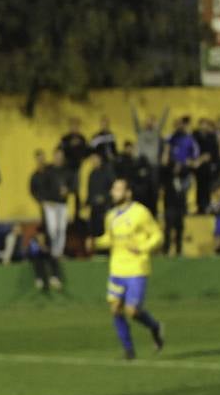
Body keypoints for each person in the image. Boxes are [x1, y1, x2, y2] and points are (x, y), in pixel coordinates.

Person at [89, 178, 165, 360]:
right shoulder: (111, 216)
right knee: (115, 309)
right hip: (117, 269)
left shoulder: (140, 212)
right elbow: (110, 239)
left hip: (137, 268)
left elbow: (158, 235)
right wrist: (96, 243)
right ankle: (129, 351)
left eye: (118, 189)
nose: (113, 192)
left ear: (128, 193)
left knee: (132, 311)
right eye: (113, 189)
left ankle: (155, 327)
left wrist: (143, 248)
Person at [29, 149, 72, 258]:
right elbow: (37, 188)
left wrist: (67, 190)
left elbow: (71, 184)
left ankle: (59, 252)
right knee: (52, 229)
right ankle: (53, 251)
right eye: (57, 156)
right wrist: (43, 200)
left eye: (60, 156)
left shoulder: (67, 170)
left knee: (61, 228)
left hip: (62, 203)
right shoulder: (48, 170)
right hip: (50, 204)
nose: (59, 158)